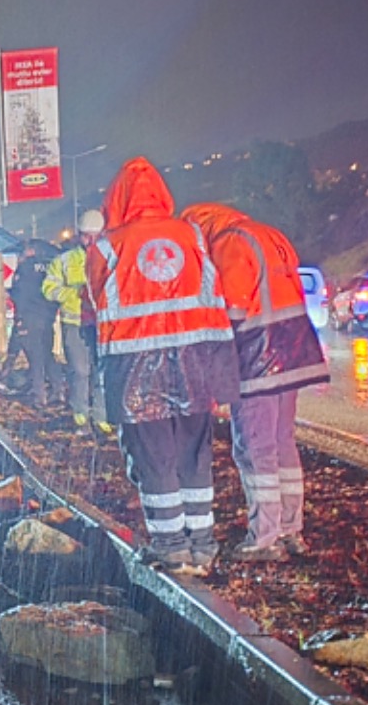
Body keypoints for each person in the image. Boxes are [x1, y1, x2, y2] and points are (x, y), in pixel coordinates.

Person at [87, 158, 240, 572]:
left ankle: (171, 545)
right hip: (195, 361)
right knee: (194, 454)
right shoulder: (190, 234)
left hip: (135, 366)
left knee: (154, 457)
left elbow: (95, 301)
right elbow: (213, 297)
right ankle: (203, 544)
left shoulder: (107, 244)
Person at [181, 202, 329, 561]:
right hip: (293, 349)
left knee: (254, 447)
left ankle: (264, 537)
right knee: (282, 444)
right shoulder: (269, 234)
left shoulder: (230, 243)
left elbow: (232, 308)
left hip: (258, 355)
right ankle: (292, 528)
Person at [45, 211, 113, 434]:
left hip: (102, 324)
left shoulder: (110, 256)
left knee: (100, 372)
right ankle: (81, 415)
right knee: (80, 371)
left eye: (95, 236)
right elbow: (48, 288)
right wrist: (73, 294)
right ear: (79, 235)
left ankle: (101, 415)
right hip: (74, 322)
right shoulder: (64, 260)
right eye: (86, 236)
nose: (91, 241)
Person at [7, 240, 61, 408]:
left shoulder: (25, 268)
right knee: (48, 354)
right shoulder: (50, 266)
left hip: (30, 316)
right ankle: (58, 390)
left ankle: (39, 396)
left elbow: (20, 293)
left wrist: (20, 316)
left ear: (30, 251)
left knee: (35, 356)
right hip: (47, 316)